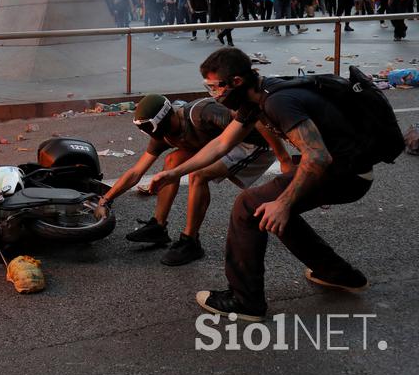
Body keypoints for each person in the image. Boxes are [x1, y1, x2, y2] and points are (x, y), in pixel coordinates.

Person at [150, 47, 376, 322]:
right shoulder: (254, 98)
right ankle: (338, 274)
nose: (213, 95)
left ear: (235, 82)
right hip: (340, 169)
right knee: (267, 210)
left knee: (249, 205)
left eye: (214, 87)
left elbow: (317, 156)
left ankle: (245, 300)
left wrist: (284, 202)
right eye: (207, 87)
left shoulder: (278, 102)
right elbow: (221, 144)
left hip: (345, 174)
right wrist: (176, 174)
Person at [96, 93, 291, 266]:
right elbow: (136, 172)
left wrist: (284, 158)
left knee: (199, 175)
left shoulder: (203, 114)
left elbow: (254, 118)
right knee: (172, 161)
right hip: (215, 145)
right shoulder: (162, 134)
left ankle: (191, 241)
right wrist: (106, 199)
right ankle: (158, 226)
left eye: (149, 127)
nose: (149, 133)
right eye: (144, 129)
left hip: (251, 143)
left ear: (164, 118)